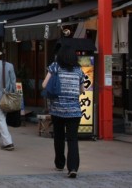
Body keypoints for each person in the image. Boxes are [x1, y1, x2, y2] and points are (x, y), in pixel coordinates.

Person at [42, 45, 85, 179]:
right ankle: (72, 168)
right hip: (74, 111)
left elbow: (44, 85)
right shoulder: (79, 70)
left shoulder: (55, 67)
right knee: (72, 139)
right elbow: (82, 90)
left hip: (57, 109)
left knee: (59, 137)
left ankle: (60, 164)